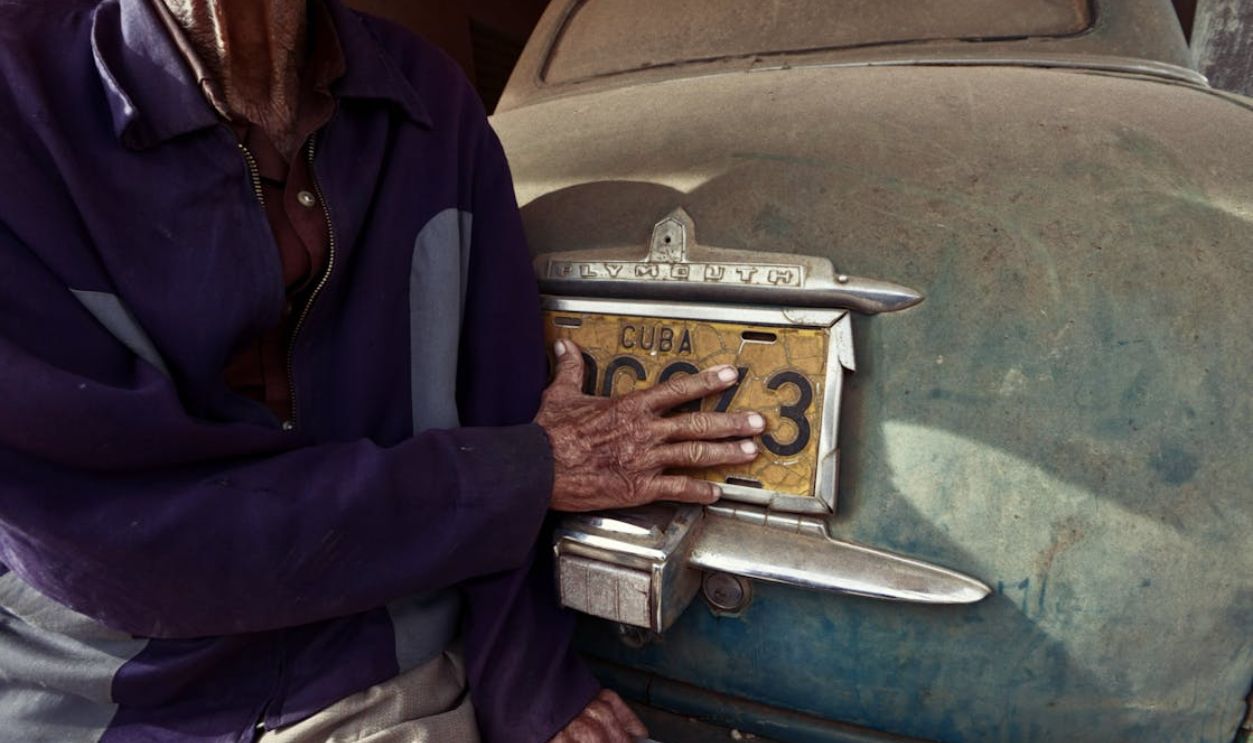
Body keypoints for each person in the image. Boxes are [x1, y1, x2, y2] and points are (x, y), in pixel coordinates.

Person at [0, 0, 763, 740]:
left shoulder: (430, 103)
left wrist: (526, 681)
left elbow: (504, 409)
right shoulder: (19, 95)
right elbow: (112, 538)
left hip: (371, 672)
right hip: (90, 695)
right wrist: (515, 474)